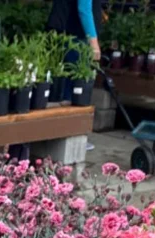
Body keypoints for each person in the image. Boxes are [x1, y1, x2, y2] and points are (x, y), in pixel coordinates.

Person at [8, 0, 101, 162]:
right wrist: (94, 43)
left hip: (64, 32)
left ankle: (58, 133)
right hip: (75, 37)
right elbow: (84, 9)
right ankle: (67, 132)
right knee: (70, 88)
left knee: (61, 84)